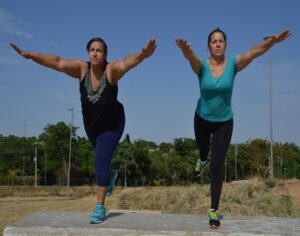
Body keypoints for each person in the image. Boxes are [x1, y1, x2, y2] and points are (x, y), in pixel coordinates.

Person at [11, 37, 156, 224]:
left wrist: (142, 55)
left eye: (99, 50)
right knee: (102, 161)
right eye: (92, 50)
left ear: (105, 55)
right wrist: (31, 55)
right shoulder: (81, 69)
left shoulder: (111, 71)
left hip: (113, 124)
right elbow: (57, 62)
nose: (95, 53)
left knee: (100, 160)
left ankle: (99, 207)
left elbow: (126, 62)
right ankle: (110, 175)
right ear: (88, 53)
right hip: (92, 127)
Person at [175, 28, 291, 228]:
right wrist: (185, 50)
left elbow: (254, 52)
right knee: (204, 152)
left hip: (224, 122)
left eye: (221, 41)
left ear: (225, 44)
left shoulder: (233, 65)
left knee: (217, 165)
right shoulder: (201, 66)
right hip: (201, 119)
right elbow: (191, 58)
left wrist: (273, 42)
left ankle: (213, 209)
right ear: (208, 46)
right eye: (214, 41)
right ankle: (202, 159)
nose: (218, 44)